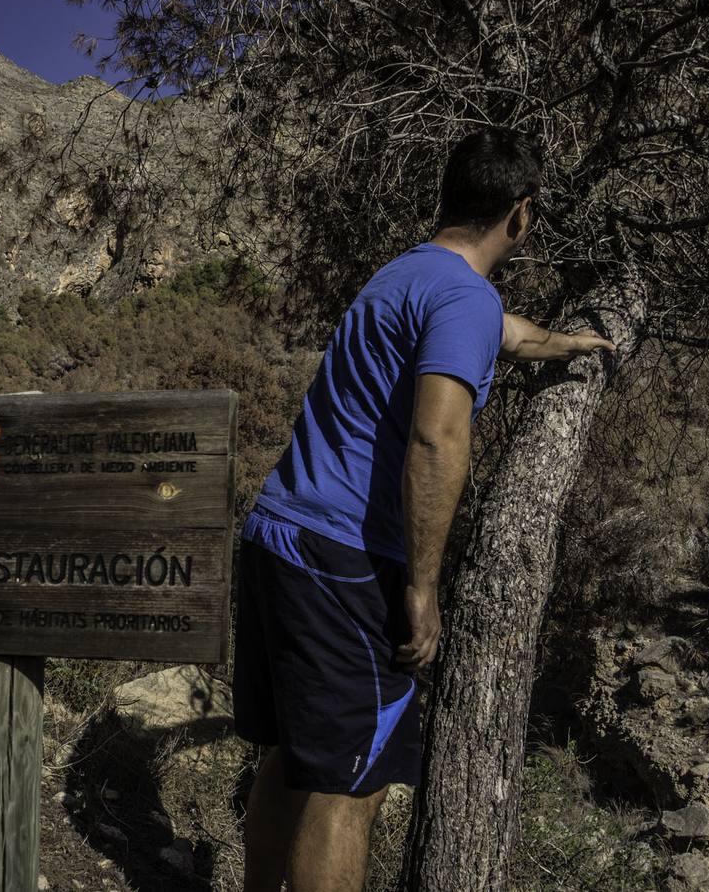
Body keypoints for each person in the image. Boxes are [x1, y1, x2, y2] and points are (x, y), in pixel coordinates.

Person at [231, 126, 617, 892]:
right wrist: (422, 589)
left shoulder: (404, 277)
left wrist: (568, 342)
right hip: (342, 562)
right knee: (350, 791)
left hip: (276, 534)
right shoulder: (464, 296)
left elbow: (506, 332)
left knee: (292, 758)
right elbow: (436, 442)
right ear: (521, 214)